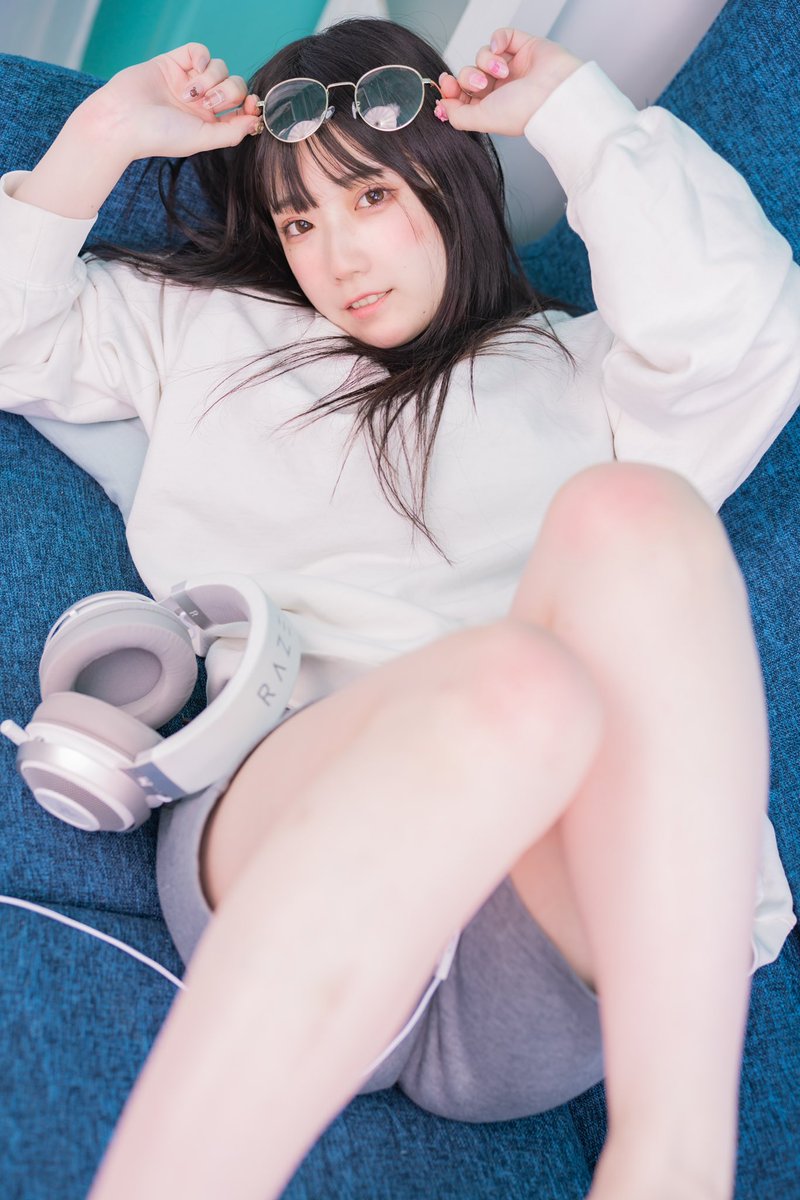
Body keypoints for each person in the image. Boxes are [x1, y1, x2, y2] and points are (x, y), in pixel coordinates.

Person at [0, 15, 798, 1200]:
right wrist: (105, 131)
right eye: (299, 221)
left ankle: (672, 1163)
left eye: (369, 197)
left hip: (530, 950)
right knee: (511, 686)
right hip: (300, 834)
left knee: (637, 516)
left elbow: (744, 335)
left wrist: (574, 112)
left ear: (445, 178)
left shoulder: (578, 372)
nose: (336, 256)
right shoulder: (198, 329)